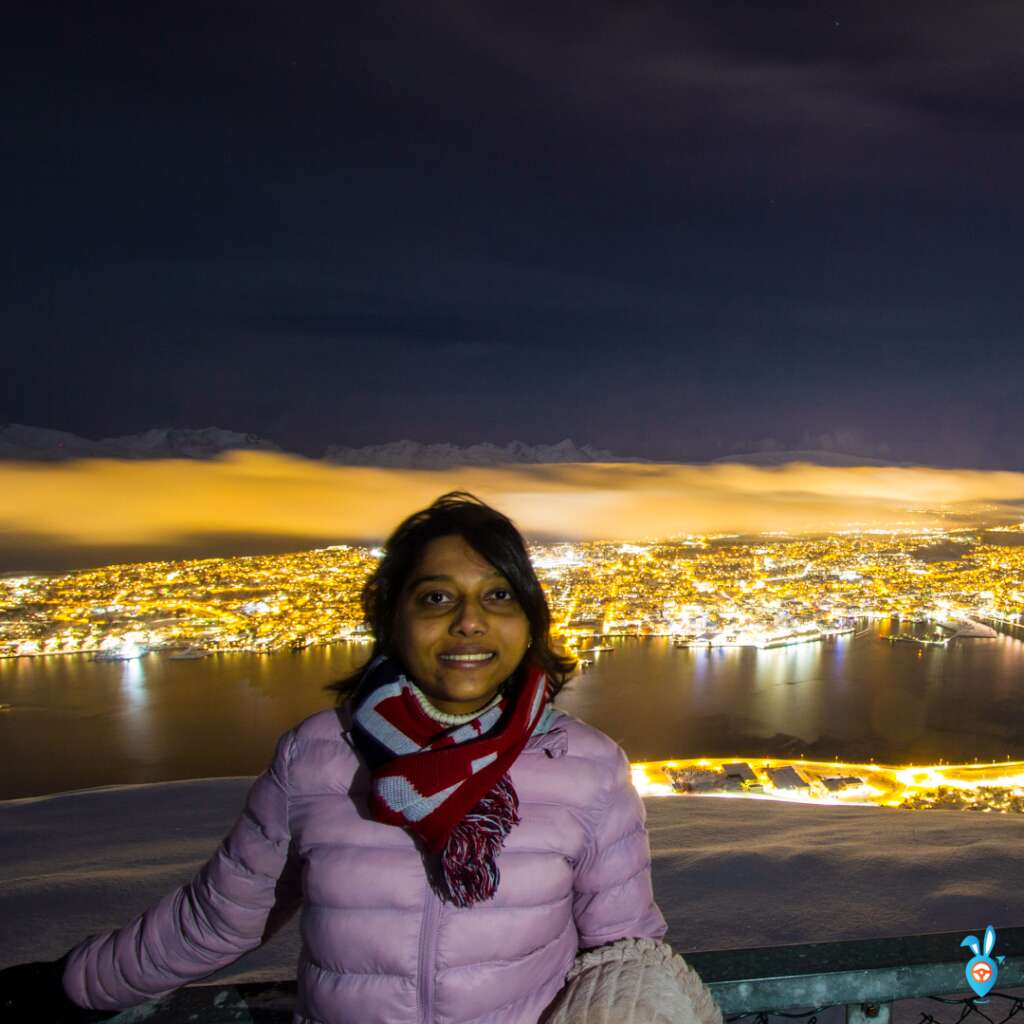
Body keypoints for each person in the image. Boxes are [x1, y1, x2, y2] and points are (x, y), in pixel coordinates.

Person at [0, 492, 720, 1024]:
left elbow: (624, 950)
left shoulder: (585, 766)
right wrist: (73, 987)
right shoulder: (320, 758)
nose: (470, 621)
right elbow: (220, 917)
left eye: (498, 595)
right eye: (437, 596)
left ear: (529, 620)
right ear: (392, 618)